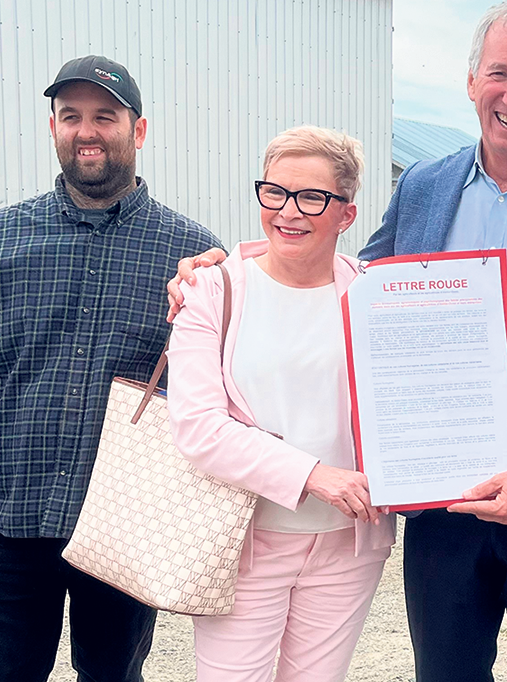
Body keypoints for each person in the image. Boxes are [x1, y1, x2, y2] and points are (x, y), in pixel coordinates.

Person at [168, 0, 507, 682]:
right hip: (439, 503)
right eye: (499, 73)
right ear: (470, 82)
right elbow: (347, 273)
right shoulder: (427, 188)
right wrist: (227, 264)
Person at [0, 55, 222, 681]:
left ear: (137, 131)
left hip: (126, 523)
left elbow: (216, 395)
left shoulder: (192, 259)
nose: (87, 130)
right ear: (52, 126)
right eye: (70, 115)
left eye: (105, 116)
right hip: (6, 520)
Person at [167, 125, 395, 682]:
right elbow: (198, 426)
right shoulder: (212, 290)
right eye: (275, 191)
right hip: (242, 539)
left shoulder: (378, 295)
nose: (288, 211)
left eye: (312, 197)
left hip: (350, 543)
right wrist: (315, 475)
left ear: (346, 214)